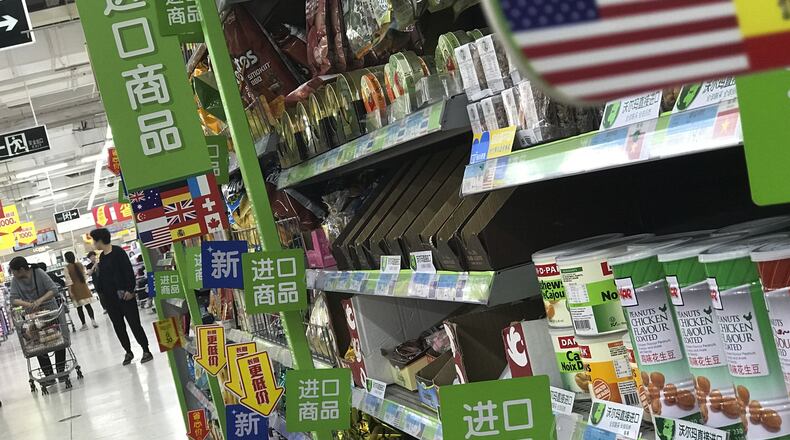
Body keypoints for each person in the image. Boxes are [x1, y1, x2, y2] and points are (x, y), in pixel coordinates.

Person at [89, 228, 153, 365]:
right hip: (111, 300)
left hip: (125, 296)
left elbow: (128, 272)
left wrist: (130, 290)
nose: (93, 243)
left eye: (94, 240)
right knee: (119, 327)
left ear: (100, 240)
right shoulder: (102, 257)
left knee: (134, 324)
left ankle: (146, 349)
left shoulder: (118, 252)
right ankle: (128, 351)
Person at [8, 257, 67, 385]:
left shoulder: (39, 272)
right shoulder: (15, 280)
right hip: (33, 316)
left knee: (58, 340)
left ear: (22, 269)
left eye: (14, 272)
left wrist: (39, 301)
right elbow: (13, 299)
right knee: (38, 344)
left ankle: (61, 371)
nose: (13, 275)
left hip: (50, 312)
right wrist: (27, 304)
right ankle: (49, 376)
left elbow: (53, 289)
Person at [64, 251, 98, 331]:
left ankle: (84, 325)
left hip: (75, 290)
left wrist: (70, 292)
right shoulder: (80, 265)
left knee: (79, 308)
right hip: (84, 287)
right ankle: (93, 321)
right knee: (88, 306)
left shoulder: (67, 268)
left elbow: (69, 281)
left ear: (66, 259)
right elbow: (85, 276)